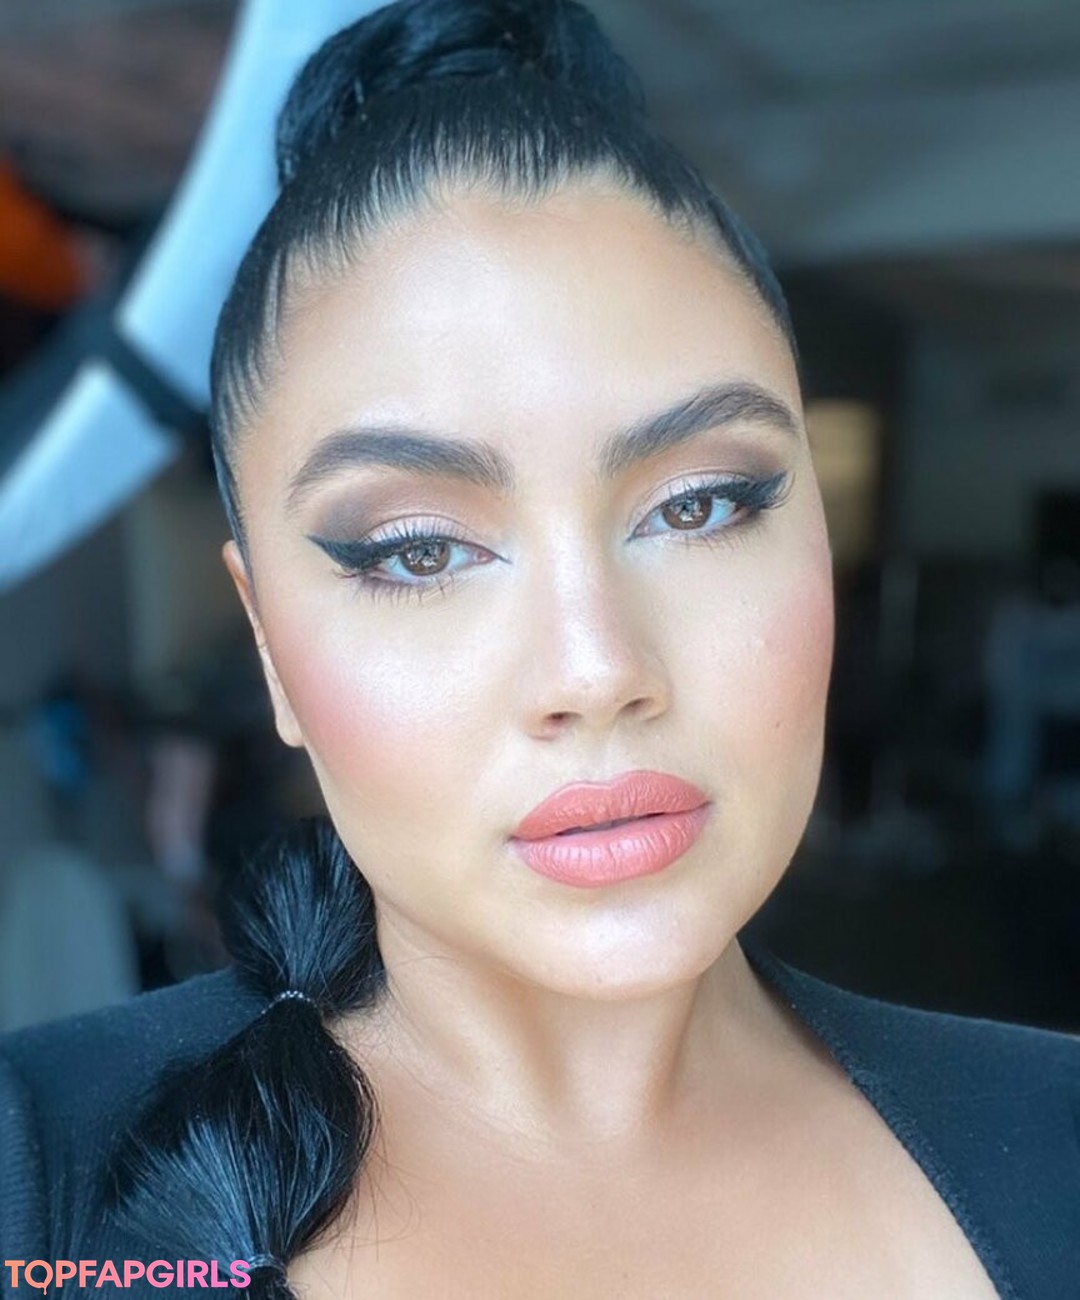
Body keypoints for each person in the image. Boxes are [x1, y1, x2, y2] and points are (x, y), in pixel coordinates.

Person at [1, 2, 1077, 1296]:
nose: (595, 669)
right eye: (417, 551)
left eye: (700, 506)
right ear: (271, 646)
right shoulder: (33, 1188)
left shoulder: (1057, 1145)